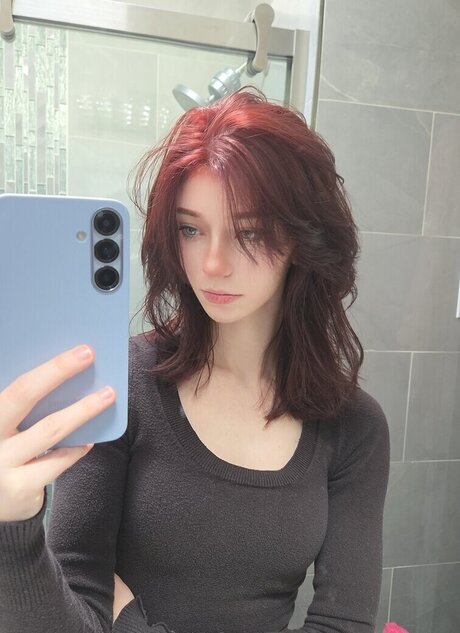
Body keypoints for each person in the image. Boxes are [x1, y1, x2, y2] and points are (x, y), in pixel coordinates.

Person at [0, 87, 390, 633]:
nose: (212, 263)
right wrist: (13, 530)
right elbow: (78, 610)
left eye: (249, 231)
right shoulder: (119, 385)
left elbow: (343, 622)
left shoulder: (354, 426)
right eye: (191, 229)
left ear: (304, 239)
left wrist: (132, 622)